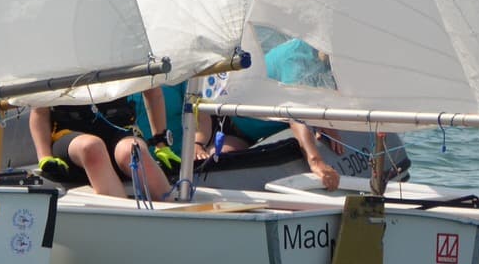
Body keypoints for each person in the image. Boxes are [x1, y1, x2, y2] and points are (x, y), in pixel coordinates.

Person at [204, 38, 343, 190]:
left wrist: (324, 122)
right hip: (232, 126)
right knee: (219, 160)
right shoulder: (297, 58)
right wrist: (315, 161)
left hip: (268, 129)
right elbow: (295, 112)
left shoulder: (332, 59)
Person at [27, 88, 177, 201]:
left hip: (118, 130)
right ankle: (123, 221)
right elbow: (39, 110)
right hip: (69, 137)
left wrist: (161, 144)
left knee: (134, 152)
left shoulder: (122, 51)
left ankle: (175, 216)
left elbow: (153, 90)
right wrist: (44, 157)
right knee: (92, 147)